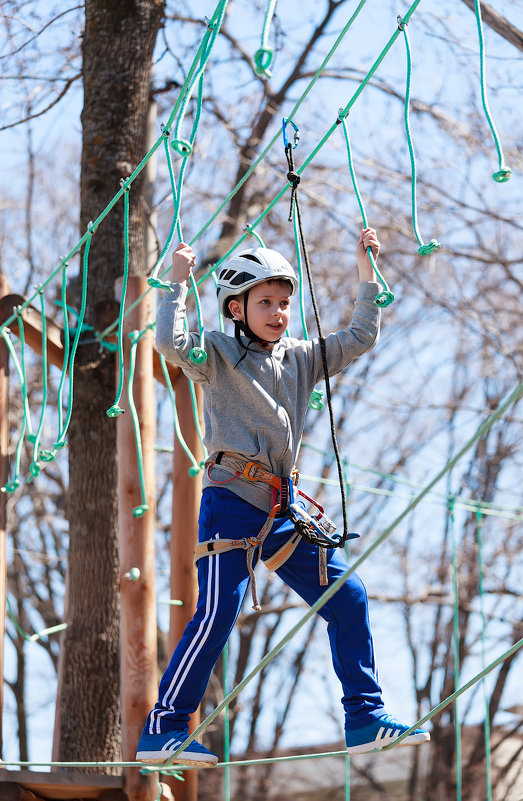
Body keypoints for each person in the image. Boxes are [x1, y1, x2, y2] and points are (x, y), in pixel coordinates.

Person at [136, 230, 430, 767]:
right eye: (264, 302)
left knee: (349, 596)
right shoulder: (218, 354)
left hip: (281, 508)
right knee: (218, 611)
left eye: (284, 303)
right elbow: (169, 344)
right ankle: (165, 728)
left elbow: (361, 335)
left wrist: (367, 270)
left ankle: (365, 717)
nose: (277, 313)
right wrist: (177, 283)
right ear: (236, 307)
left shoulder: (301, 358)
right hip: (231, 499)